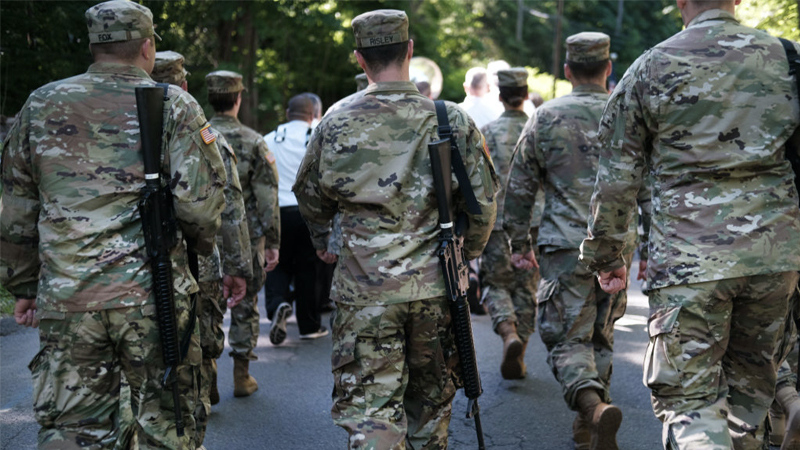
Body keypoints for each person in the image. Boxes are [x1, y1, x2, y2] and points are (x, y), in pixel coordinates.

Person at [1, 1, 227, 448]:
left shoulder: (41, 103)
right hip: (153, 295)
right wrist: (197, 257)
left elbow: (16, 206)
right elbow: (200, 208)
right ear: (147, 47)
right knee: (166, 426)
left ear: (92, 45)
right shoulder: (176, 105)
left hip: (70, 295)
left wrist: (24, 286)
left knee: (72, 429)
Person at [579, 1, 800, 448]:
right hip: (775, 258)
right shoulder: (788, 59)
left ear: (681, 1)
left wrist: (608, 255)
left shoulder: (650, 67)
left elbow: (617, 181)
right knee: (748, 405)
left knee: (692, 404)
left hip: (688, 263)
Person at [293, 9, 498, 448]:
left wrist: (323, 242)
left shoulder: (334, 121)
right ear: (409, 50)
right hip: (436, 287)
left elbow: (309, 197)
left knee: (371, 413)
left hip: (364, 290)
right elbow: (481, 206)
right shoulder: (450, 119)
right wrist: (469, 256)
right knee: (429, 408)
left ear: (359, 59)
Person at [504, 32, 637, 450]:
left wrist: (518, 241)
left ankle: (591, 409)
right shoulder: (628, 114)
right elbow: (650, 184)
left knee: (564, 337)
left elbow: (520, 185)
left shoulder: (546, 116)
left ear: (566, 70)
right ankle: (589, 424)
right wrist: (651, 250)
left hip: (564, 245)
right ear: (608, 68)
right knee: (602, 332)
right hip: (617, 245)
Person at [151, 50, 252, 445]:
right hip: (199, 263)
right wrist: (238, 266)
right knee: (199, 347)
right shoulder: (206, 134)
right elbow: (230, 207)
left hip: (129, 268)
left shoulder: (107, 125)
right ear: (186, 86)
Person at [206, 70, 280, 398]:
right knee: (245, 303)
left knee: (206, 306)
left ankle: (207, 380)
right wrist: (273, 241)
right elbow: (267, 199)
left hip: (204, 238)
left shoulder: (194, 136)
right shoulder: (253, 141)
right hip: (246, 238)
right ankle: (241, 376)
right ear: (238, 99)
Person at [479, 67, 542, 380]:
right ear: (526, 95)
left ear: (500, 96)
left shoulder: (486, 132)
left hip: (497, 221)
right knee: (527, 286)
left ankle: (508, 335)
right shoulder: (538, 128)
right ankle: (521, 352)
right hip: (534, 220)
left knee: (495, 282)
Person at [263, 93, 329, 345]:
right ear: (313, 114)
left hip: (277, 211)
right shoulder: (317, 136)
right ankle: (309, 325)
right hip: (307, 212)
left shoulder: (269, 139)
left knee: (276, 263)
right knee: (307, 268)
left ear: (288, 113)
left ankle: (278, 304)